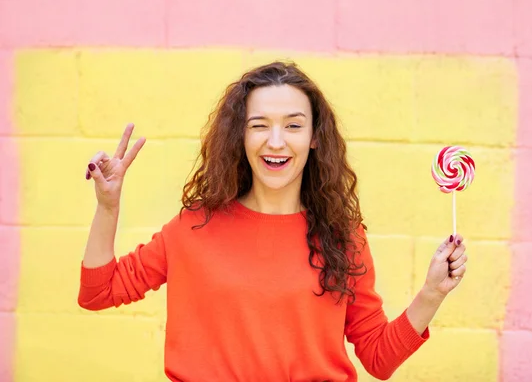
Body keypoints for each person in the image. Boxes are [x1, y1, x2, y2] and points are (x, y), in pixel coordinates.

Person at [78, 61, 468, 382]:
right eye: (259, 125)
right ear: (240, 136)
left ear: (315, 137)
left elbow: (378, 359)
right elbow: (98, 293)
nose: (276, 141)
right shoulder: (191, 228)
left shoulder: (344, 238)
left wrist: (432, 293)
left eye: (294, 125)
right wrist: (108, 207)